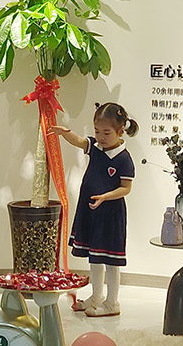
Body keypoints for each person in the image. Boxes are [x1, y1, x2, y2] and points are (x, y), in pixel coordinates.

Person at [49, 101, 137, 317]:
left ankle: (112, 303)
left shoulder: (124, 159)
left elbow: (126, 188)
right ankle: (96, 296)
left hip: (110, 215)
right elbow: (80, 141)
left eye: (107, 133)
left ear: (120, 131)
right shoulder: (96, 148)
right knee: (94, 257)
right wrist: (64, 133)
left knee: (111, 261)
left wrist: (105, 197)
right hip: (91, 211)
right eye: (97, 131)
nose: (101, 137)